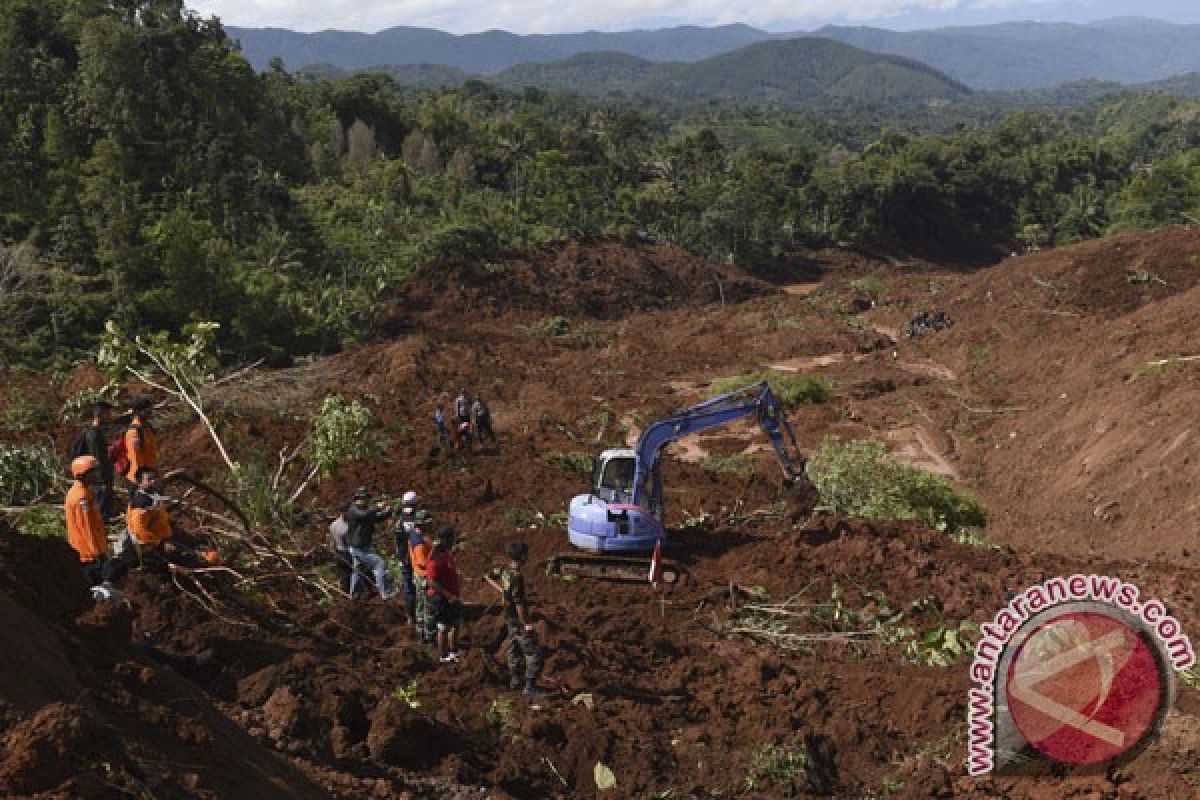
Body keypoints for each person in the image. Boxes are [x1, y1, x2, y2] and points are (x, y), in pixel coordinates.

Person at [485, 541, 551, 698]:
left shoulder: (504, 570)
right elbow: (519, 603)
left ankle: (515, 680)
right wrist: (527, 623)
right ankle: (530, 687)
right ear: (523, 557)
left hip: (508, 617)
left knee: (513, 647)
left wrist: (502, 591)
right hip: (517, 618)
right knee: (534, 653)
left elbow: (488, 576)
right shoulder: (517, 577)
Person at [124, 467, 215, 569]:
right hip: (152, 542)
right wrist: (160, 544)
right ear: (139, 483)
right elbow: (140, 531)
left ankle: (206, 554)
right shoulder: (140, 503)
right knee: (187, 557)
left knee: (193, 541)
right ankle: (204, 569)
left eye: (154, 478)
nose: (153, 481)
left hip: (165, 530)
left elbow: (158, 512)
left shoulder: (152, 494)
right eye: (149, 479)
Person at [64, 455, 124, 586]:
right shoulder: (81, 497)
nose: (96, 475)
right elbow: (86, 527)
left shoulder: (84, 492)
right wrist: (96, 552)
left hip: (92, 548)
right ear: (81, 475)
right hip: (88, 553)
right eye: (92, 472)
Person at [69, 402, 117, 520]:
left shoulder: (97, 432)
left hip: (100, 480)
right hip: (100, 481)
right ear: (100, 415)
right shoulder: (94, 435)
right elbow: (97, 459)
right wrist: (103, 482)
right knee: (100, 514)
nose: (110, 417)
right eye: (107, 414)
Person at [344, 487, 394, 600]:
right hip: (358, 547)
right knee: (379, 563)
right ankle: (386, 593)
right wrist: (377, 507)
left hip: (362, 546)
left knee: (358, 569)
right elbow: (364, 516)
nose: (367, 500)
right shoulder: (353, 510)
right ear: (359, 498)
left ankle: (355, 594)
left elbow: (376, 518)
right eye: (366, 498)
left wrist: (388, 512)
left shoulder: (365, 510)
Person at [426, 526, 462, 663]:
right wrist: (448, 596)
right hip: (440, 598)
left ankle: (454, 651)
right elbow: (431, 581)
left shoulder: (446, 551)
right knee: (443, 627)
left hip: (452, 595)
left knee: (456, 624)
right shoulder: (435, 558)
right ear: (446, 539)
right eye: (452, 538)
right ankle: (444, 655)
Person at [408, 508, 436, 644]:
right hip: (424, 577)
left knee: (420, 605)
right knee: (428, 608)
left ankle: (420, 632)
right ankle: (429, 637)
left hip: (417, 576)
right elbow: (423, 564)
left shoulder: (414, 534)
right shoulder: (419, 543)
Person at [392, 491, 420, 624]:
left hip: (404, 557)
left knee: (408, 586)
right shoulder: (418, 519)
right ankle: (422, 614)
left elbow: (397, 539)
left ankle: (410, 616)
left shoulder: (399, 519)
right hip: (418, 557)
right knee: (422, 585)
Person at [123, 398, 158, 487]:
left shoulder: (145, 428)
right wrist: (142, 480)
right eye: (148, 410)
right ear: (138, 412)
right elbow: (136, 458)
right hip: (139, 480)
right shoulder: (134, 432)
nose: (150, 412)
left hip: (149, 475)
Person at [328, 509, 355, 595]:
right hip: (347, 552)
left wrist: (334, 553)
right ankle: (350, 594)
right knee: (350, 574)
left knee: (344, 575)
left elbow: (332, 542)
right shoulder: (346, 526)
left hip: (338, 552)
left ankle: (345, 593)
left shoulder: (333, 525)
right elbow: (350, 541)